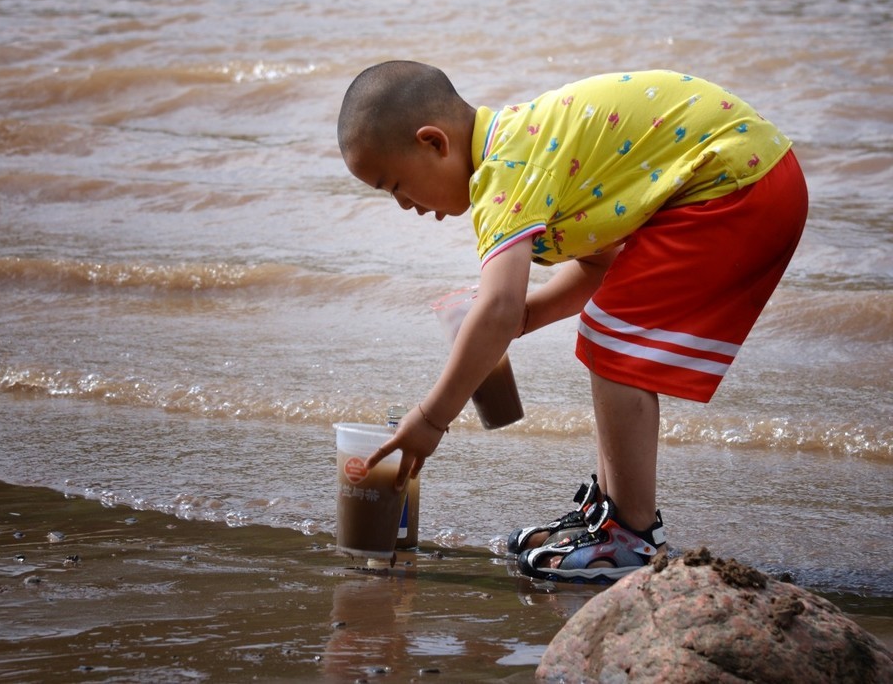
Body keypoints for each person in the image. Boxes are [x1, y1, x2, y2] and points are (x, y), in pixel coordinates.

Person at [337, 63, 807, 583]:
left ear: (434, 143)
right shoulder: (526, 150)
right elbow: (598, 266)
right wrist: (526, 317)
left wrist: (430, 420)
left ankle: (629, 536)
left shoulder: (504, 171)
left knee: (611, 342)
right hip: (753, 172)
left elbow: (495, 308)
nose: (405, 205)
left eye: (396, 185)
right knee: (608, 335)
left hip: (738, 182)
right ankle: (609, 516)